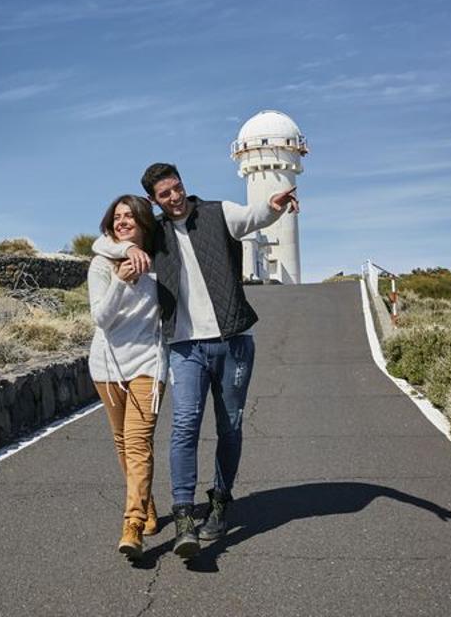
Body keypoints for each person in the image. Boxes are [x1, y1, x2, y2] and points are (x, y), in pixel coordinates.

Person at [94, 162, 298, 558]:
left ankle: (220, 501)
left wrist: (273, 207)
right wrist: (131, 247)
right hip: (185, 347)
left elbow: (252, 216)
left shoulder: (218, 213)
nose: (174, 198)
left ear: (183, 185)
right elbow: (106, 241)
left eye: (177, 188)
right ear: (154, 200)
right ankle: (184, 514)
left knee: (230, 427)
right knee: (184, 426)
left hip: (234, 341)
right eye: (164, 194)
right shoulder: (156, 234)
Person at [87, 194, 168, 562]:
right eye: (117, 217)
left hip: (148, 365)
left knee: (138, 443)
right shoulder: (101, 264)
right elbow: (101, 319)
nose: (122, 222)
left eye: (130, 217)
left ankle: (132, 525)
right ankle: (146, 505)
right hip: (107, 367)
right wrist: (121, 278)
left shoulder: (162, 261)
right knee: (122, 442)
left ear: (143, 223)